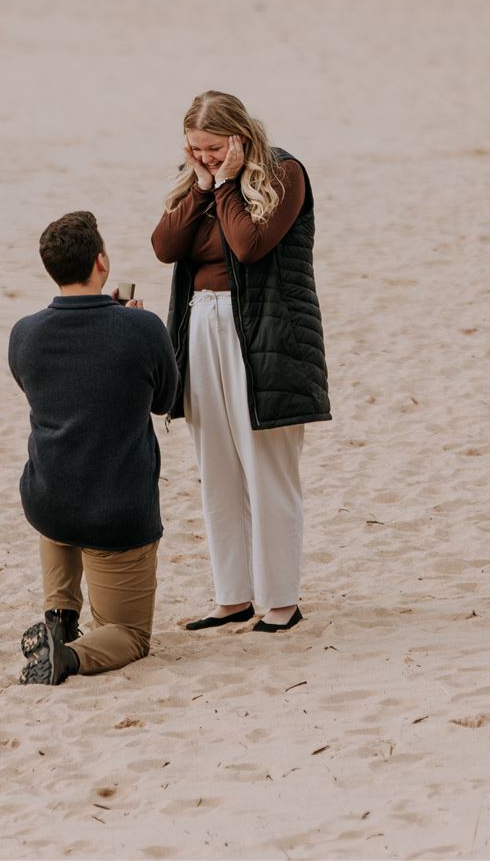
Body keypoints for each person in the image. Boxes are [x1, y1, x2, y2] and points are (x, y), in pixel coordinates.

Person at [150, 91, 329, 635]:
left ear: (239, 138)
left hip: (263, 333)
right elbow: (165, 246)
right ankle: (233, 596)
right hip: (199, 326)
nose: (202, 157)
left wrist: (227, 184)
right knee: (217, 468)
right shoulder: (200, 184)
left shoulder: (284, 174)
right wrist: (203, 186)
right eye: (194, 149)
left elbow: (249, 245)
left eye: (212, 148)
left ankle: (280, 600)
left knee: (266, 465)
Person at [10, 211, 178, 685]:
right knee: (127, 633)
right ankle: (67, 657)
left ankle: (59, 615)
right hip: (116, 511)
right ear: (101, 262)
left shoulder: (25, 333)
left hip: (50, 498)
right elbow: (165, 401)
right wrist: (137, 326)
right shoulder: (142, 329)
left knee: (59, 506)